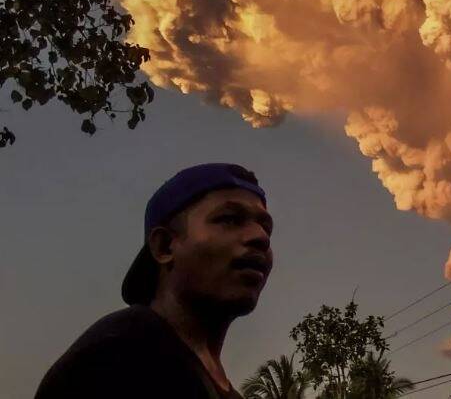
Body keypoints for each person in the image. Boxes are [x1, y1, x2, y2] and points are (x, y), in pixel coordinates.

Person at [35, 163, 274, 399]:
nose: (260, 237)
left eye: (265, 227)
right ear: (164, 246)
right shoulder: (117, 357)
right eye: (230, 219)